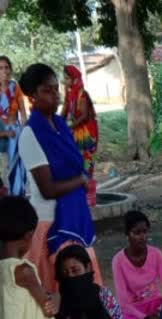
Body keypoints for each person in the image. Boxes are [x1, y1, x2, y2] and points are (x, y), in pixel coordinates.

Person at [18, 63, 101, 292]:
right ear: (33, 95)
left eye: (57, 89)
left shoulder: (61, 126)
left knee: (85, 292)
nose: (55, 95)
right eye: (47, 90)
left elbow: (76, 164)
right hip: (48, 223)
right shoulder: (30, 134)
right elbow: (48, 189)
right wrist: (81, 182)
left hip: (73, 215)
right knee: (57, 293)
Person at [111, 210, 162, 319]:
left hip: (155, 304)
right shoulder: (118, 261)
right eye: (137, 233)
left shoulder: (156, 254)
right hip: (133, 309)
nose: (143, 237)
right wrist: (144, 318)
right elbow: (123, 303)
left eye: (145, 232)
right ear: (127, 234)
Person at [61, 65, 98, 207]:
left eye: (67, 78)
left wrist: (70, 126)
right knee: (75, 162)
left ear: (74, 78)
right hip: (75, 132)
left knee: (87, 163)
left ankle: (89, 196)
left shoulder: (82, 93)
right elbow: (63, 113)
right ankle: (79, 194)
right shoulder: (69, 94)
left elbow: (83, 115)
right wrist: (56, 123)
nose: (65, 81)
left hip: (86, 134)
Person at [0, 56, 27, 196]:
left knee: (16, 169)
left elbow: (23, 112)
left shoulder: (15, 88)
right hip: (2, 135)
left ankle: (17, 198)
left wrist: (23, 130)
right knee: (4, 170)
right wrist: (4, 134)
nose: (4, 71)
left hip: (15, 134)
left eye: (6, 67)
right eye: (1, 68)